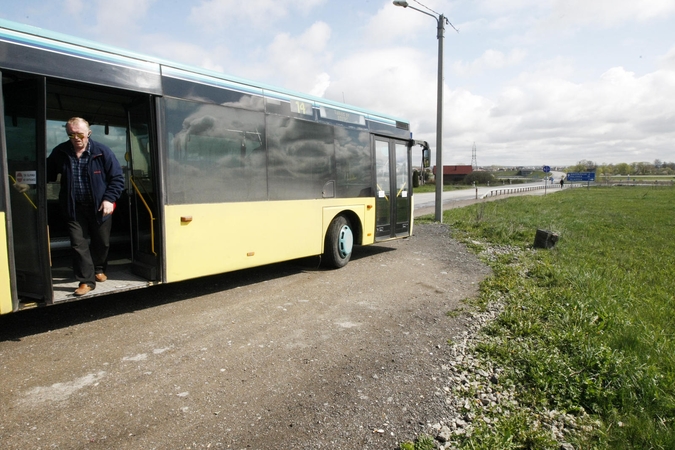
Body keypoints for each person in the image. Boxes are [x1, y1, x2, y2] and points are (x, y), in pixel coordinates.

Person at [47, 117, 125, 296]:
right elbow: (46, 172)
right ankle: (86, 281)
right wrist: (29, 182)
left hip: (100, 207)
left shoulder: (102, 152)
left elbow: (117, 179)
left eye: (79, 134)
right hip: (74, 208)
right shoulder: (60, 152)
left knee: (101, 243)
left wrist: (108, 199)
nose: (76, 138)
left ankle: (98, 268)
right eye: (71, 134)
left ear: (88, 133)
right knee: (78, 244)